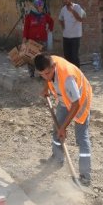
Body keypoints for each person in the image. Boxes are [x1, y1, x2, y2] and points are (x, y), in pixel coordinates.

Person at [34, 53, 93, 187]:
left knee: (81, 138)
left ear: (53, 66)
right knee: (56, 130)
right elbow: (47, 76)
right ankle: (57, 158)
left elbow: (76, 104)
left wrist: (64, 127)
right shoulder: (48, 62)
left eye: (48, 73)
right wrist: (46, 88)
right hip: (65, 99)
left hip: (80, 100)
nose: (46, 77)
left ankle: (85, 177)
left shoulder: (68, 78)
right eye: (42, 74)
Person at [23, 0, 54, 78]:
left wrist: (49, 29)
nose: (41, 7)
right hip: (32, 40)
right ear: (35, 6)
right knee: (31, 57)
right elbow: (26, 28)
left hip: (42, 40)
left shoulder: (44, 15)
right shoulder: (29, 16)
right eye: (40, 6)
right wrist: (24, 38)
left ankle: (42, 73)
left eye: (42, 6)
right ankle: (31, 74)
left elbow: (51, 21)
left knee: (42, 58)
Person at [58, 0, 86, 67]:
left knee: (74, 56)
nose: (66, 0)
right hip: (66, 36)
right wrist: (63, 27)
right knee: (67, 56)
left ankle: (77, 72)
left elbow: (81, 19)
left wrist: (72, 11)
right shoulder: (63, 9)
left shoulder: (77, 7)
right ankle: (70, 73)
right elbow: (60, 19)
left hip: (75, 36)